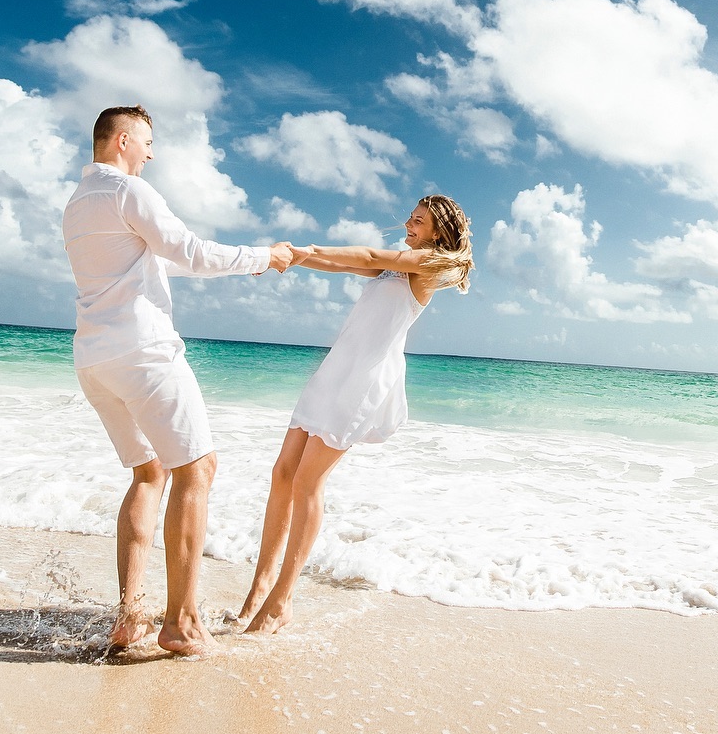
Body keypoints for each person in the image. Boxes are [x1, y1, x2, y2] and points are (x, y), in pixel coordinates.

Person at [63, 104, 295, 656]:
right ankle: (183, 621)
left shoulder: (77, 204)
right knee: (198, 468)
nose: (151, 153)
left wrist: (254, 261)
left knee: (149, 473)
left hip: (94, 360)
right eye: (145, 143)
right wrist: (266, 256)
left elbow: (170, 260)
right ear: (122, 141)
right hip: (142, 352)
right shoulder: (129, 192)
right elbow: (188, 249)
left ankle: (130, 616)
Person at [236, 195, 474, 634]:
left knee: (308, 481)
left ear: (438, 232)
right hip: (335, 370)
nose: (408, 223)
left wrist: (304, 249)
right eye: (411, 218)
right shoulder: (395, 266)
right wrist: (299, 258)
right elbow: (348, 264)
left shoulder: (423, 267)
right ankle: (259, 587)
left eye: (418, 221)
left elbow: (365, 253)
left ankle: (281, 600)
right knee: (283, 473)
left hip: (364, 380)